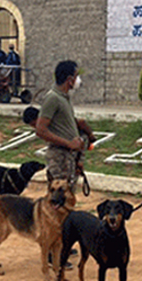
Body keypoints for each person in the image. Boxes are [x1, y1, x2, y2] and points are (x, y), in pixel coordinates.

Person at [35, 60, 94, 189]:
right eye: (76, 76)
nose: (78, 80)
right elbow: (41, 130)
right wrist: (68, 144)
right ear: (69, 79)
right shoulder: (53, 98)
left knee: (68, 197)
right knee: (59, 199)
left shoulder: (63, 98)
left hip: (69, 156)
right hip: (59, 157)